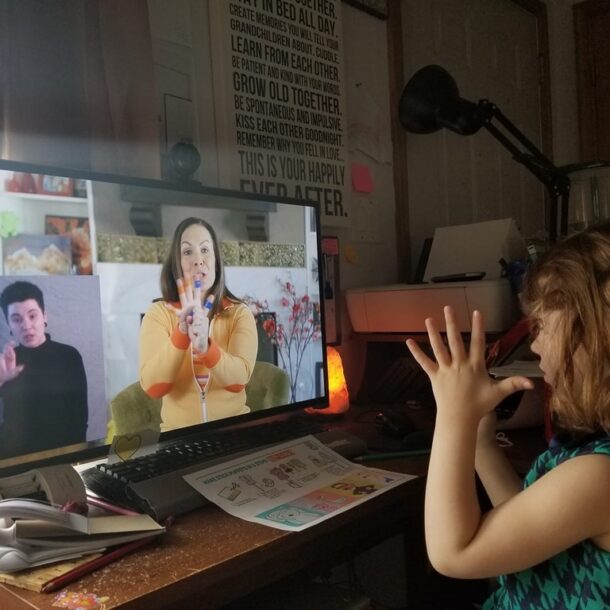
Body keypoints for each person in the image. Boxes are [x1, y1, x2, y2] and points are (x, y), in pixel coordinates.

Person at [406, 220, 610, 608]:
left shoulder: (599, 477)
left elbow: (453, 554)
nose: (534, 346)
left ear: (597, 339)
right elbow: (527, 522)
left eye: (545, 328)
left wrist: (454, 418)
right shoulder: (592, 455)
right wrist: (480, 441)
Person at [139, 217, 258, 430]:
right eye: (187, 252)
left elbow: (238, 382)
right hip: (179, 440)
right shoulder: (157, 314)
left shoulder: (240, 313)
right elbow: (153, 388)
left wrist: (206, 347)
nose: (198, 260)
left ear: (216, 261)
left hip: (236, 431)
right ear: (176, 264)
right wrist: (182, 334)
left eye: (205, 250)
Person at [0, 280, 88, 458]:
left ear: (44, 316)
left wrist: (75, 457)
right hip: (12, 458)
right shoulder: (5, 362)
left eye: (32, 316)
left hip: (61, 455)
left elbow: (79, 418)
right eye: (16, 319)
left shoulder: (68, 356)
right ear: (8, 324)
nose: (26, 325)